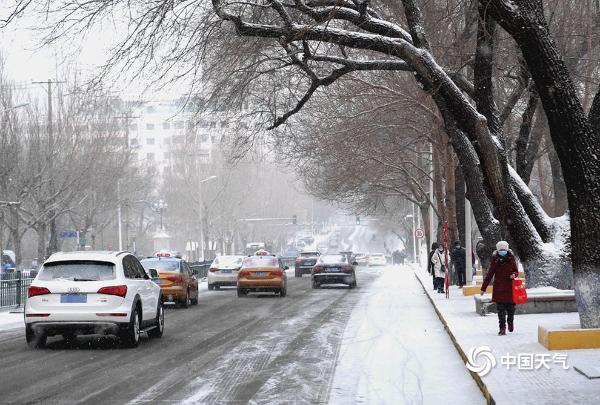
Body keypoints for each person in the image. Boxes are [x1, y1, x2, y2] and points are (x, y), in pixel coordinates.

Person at [480, 241, 519, 335]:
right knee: (500, 310)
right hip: (499, 288)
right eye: (500, 250)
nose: (502, 251)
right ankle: (502, 328)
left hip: (510, 288)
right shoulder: (495, 260)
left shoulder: (511, 258)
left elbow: (516, 271)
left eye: (504, 249)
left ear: (507, 249)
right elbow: (489, 275)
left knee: (511, 309)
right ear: (498, 250)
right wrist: (483, 288)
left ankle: (510, 322)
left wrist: (514, 274)